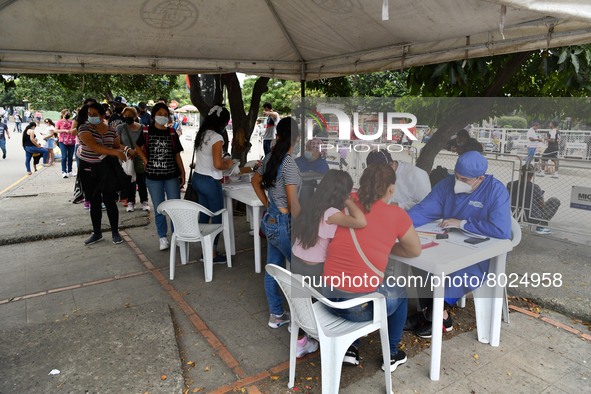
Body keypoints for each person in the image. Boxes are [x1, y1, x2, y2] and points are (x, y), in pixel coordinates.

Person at [322, 163, 421, 371]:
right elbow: (414, 250)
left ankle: (351, 348)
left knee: (364, 287)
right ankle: (392, 354)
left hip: (326, 298)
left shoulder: (343, 203)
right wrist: (386, 247)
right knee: (399, 292)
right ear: (391, 189)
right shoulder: (397, 215)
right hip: (354, 310)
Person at [406, 151, 511, 338]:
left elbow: (500, 230)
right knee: (418, 259)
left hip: (483, 252)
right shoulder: (447, 185)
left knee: (461, 270)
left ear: (480, 178)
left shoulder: (495, 190)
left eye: (464, 179)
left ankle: (436, 316)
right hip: (449, 243)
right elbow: (424, 210)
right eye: (456, 176)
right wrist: (398, 225)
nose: (458, 181)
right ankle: (433, 313)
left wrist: (462, 223)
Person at [251, 117, 301, 329]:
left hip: (271, 219)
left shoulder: (271, 156)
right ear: (296, 138)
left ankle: (277, 315)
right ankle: (300, 321)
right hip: (284, 222)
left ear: (278, 135)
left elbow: (255, 180)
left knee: (273, 269)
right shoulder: (289, 163)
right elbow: (293, 204)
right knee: (302, 271)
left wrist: (268, 203)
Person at [135, 102, 186, 251]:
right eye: (160, 114)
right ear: (154, 115)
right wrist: (145, 160)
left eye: (165, 115)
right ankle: (162, 237)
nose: (162, 117)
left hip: (171, 176)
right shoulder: (145, 131)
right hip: (153, 177)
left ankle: (177, 235)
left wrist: (182, 172)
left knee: (175, 207)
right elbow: (137, 146)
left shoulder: (171, 133)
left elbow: (177, 155)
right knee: (159, 208)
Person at [77, 102, 127, 245]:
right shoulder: (84, 128)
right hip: (89, 170)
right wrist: (116, 153)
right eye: (89, 115)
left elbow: (117, 146)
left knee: (110, 201)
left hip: (107, 170)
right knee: (94, 201)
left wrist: (127, 150)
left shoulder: (111, 130)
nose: (91, 117)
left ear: (102, 114)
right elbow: (94, 147)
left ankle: (115, 232)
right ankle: (97, 233)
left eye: (94, 114)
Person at [192, 105, 234, 263]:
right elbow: (217, 165)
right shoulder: (217, 137)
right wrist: (228, 164)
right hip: (210, 181)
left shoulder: (202, 134)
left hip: (198, 178)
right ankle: (212, 253)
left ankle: (205, 248)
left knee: (204, 214)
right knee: (217, 217)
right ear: (222, 122)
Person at [365, 150, 431, 210]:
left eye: (380, 173)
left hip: (411, 218)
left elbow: (427, 205)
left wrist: (398, 205)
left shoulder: (417, 175)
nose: (377, 177)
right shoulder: (374, 175)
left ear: (391, 165)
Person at [507, 165, 561, 235]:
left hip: (513, 214)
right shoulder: (535, 187)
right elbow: (541, 205)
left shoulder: (510, 184)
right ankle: (542, 225)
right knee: (554, 201)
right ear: (532, 175)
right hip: (532, 217)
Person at [116, 106, 150, 213]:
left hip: (140, 158)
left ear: (135, 116)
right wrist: (127, 149)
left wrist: (137, 151)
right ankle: (130, 202)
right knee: (129, 181)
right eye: (125, 116)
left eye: (130, 116)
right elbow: (117, 143)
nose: (127, 117)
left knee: (142, 181)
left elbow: (145, 143)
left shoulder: (143, 128)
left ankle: (144, 201)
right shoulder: (120, 128)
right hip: (127, 158)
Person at [56, 109, 76, 178]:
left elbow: (75, 128)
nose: (68, 114)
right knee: (64, 156)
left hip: (72, 140)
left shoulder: (72, 121)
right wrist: (64, 130)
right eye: (66, 113)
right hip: (62, 141)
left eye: (69, 113)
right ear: (63, 114)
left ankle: (70, 171)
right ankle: (64, 171)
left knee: (70, 157)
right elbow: (56, 130)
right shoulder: (59, 122)